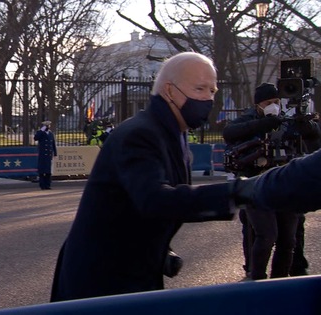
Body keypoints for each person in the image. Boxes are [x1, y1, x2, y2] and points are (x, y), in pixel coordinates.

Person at [50, 52, 255, 302]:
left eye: (212, 90)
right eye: (200, 88)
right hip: (102, 282)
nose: (208, 98)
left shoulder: (169, 131)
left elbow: (129, 205)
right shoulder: (140, 134)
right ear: (170, 90)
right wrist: (237, 192)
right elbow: (154, 199)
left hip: (131, 271)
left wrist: (159, 247)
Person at [223, 82, 319, 280]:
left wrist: (307, 127)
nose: (273, 106)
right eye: (268, 102)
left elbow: (313, 142)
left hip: (286, 182)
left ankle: (280, 279)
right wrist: (264, 124)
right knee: (265, 236)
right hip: (256, 183)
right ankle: (255, 276)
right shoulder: (248, 119)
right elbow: (230, 133)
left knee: (288, 240)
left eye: (276, 101)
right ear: (258, 104)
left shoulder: (287, 120)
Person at [34, 121, 57, 190]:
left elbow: (53, 144)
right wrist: (41, 130)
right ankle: (42, 185)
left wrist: (55, 153)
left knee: (48, 171)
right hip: (42, 155)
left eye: (48, 125)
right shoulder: (41, 133)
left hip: (49, 155)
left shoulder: (50, 133)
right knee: (42, 171)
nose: (47, 127)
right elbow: (36, 138)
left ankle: (47, 185)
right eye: (46, 126)